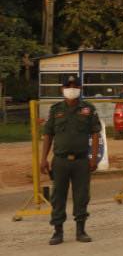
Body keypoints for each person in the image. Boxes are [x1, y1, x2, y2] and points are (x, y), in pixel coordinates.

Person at [40, 75, 101, 245]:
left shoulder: (88, 109)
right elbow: (48, 135)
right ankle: (57, 231)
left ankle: (81, 230)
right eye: (68, 86)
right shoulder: (55, 110)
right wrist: (43, 159)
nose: (71, 89)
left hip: (81, 161)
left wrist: (94, 158)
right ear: (62, 89)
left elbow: (95, 134)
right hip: (60, 161)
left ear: (80, 89)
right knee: (58, 196)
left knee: (81, 196)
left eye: (75, 86)